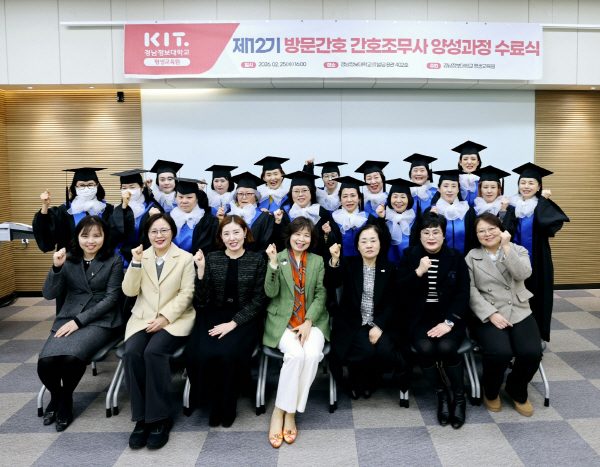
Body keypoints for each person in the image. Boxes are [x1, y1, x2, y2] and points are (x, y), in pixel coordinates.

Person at [37, 215, 124, 431]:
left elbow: (111, 299)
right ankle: (57, 396)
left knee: (71, 359)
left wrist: (79, 321)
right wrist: (56, 267)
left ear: (105, 237)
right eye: (85, 236)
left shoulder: (113, 260)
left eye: (96, 235)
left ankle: (65, 400)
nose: (90, 241)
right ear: (77, 237)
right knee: (45, 363)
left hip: (101, 320)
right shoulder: (68, 259)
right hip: (68, 316)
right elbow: (49, 294)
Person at [121, 213, 195, 450]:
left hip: (174, 320)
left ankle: (160, 418)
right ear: (147, 234)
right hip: (143, 318)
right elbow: (129, 292)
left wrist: (165, 317)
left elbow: (187, 293)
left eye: (164, 230)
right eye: (153, 231)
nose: (159, 235)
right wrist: (135, 264)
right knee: (132, 353)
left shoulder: (185, 258)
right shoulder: (141, 256)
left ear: (172, 232)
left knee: (154, 352)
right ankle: (141, 419)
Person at [186, 215, 267, 427]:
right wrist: (201, 270)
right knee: (199, 352)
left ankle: (228, 405)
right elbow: (202, 300)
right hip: (213, 313)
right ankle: (212, 403)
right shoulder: (212, 258)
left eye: (236, 232)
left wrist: (233, 323)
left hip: (245, 317)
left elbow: (259, 300)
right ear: (221, 237)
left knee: (228, 353)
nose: (232, 238)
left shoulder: (257, 260)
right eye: (227, 233)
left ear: (245, 233)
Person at [396, 212, 470, 429]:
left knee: (447, 347)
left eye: (436, 232)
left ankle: (459, 397)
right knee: (425, 348)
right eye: (426, 232)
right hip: (419, 319)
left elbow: (463, 294)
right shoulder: (409, 255)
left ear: (443, 235)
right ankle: (442, 394)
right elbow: (399, 291)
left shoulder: (456, 256)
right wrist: (418, 272)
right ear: (419, 235)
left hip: (448, 317)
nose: (431, 237)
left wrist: (449, 322)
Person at [466, 213, 542, 417]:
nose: (487, 234)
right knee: (500, 353)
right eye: (481, 231)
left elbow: (523, 274)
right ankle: (490, 391)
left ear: (501, 229)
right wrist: (491, 314)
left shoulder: (518, 250)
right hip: (488, 312)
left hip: (518, 308)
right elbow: (470, 291)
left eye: (492, 229)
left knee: (532, 352)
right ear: (476, 235)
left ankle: (516, 388)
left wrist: (507, 247)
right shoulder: (471, 256)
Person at [264, 217, 329, 448]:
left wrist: (309, 321)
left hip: (313, 321)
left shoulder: (317, 261)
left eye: (306, 235)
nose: (301, 239)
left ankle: (287, 412)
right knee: (295, 355)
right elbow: (270, 293)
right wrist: (272, 264)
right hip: (283, 322)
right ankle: (280, 413)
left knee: (311, 355)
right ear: (289, 235)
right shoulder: (278, 257)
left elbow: (321, 294)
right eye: (297, 234)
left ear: (312, 239)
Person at [326, 224, 400, 400]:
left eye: (373, 240)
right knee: (366, 352)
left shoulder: (389, 267)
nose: (369, 245)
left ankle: (372, 381)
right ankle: (357, 382)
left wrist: (379, 326)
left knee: (386, 353)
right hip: (353, 322)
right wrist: (334, 261)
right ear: (357, 246)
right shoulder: (348, 264)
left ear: (380, 244)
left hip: (379, 322)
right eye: (364, 241)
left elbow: (393, 302)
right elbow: (331, 283)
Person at [509, 162, 569, 342]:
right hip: (513, 259)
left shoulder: (543, 205)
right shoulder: (511, 205)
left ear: (539, 186)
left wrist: (543, 201)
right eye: (523, 182)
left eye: (531, 183)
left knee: (538, 297)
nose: (526, 186)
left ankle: (536, 337)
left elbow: (544, 225)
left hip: (538, 259)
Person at [33, 167, 114, 253]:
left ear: (97, 186)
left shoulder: (107, 210)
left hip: (102, 258)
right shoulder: (64, 211)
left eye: (90, 184)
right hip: (71, 258)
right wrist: (45, 205)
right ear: (75, 187)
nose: (86, 188)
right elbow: (47, 234)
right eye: (82, 185)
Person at [280, 170, 340, 258]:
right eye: (296, 191)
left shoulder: (321, 212)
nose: (300, 194)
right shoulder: (284, 213)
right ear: (291, 193)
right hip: (290, 260)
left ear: (311, 192)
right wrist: (277, 223)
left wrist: (327, 234)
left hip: (317, 260)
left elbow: (332, 240)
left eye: (304, 190)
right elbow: (279, 241)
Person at [109, 169, 163, 267]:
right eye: (124, 188)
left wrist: (127, 249)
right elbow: (112, 234)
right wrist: (123, 208)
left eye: (132, 187)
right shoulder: (118, 209)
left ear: (142, 188)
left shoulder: (153, 209)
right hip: (119, 259)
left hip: (144, 258)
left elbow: (153, 237)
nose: (128, 191)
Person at [330, 176, 389, 258]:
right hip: (341, 263)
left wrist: (381, 220)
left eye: (353, 195)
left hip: (366, 262)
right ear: (340, 199)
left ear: (359, 198)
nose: (349, 200)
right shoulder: (334, 219)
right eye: (345, 196)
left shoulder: (369, 219)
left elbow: (382, 242)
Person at [224, 172, 283, 254]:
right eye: (240, 194)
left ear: (256, 197)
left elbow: (266, 243)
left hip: (255, 259)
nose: (244, 197)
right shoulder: (229, 215)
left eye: (248, 194)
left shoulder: (264, 217)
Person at [426, 169, 477, 256]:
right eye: (445, 186)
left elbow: (473, 238)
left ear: (458, 189)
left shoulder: (468, 211)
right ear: (439, 189)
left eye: (454, 186)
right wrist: (431, 218)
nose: (450, 190)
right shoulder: (431, 211)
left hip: (466, 259)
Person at [375, 177, 420, 266]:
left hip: (410, 267)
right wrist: (381, 219)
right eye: (395, 196)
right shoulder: (384, 219)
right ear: (390, 199)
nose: (398, 201)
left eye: (403, 197)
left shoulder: (417, 220)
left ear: (409, 199)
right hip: (388, 268)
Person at [170, 177, 219, 256]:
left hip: (195, 261)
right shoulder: (168, 218)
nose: (184, 201)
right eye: (180, 197)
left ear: (197, 199)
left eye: (189, 197)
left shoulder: (208, 220)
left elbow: (206, 248)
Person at [472, 166, 517, 238]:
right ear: (480, 189)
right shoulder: (473, 209)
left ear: (498, 189)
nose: (489, 191)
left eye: (493, 187)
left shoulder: (508, 208)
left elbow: (508, 233)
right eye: (485, 187)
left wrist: (503, 211)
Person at [452, 140, 486, 207]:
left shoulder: (484, 180)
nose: (469, 162)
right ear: (460, 162)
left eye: (473, 159)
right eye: (465, 159)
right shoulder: (454, 179)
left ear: (478, 162)